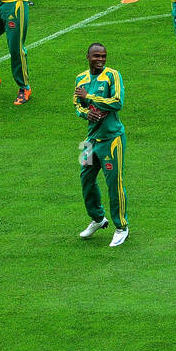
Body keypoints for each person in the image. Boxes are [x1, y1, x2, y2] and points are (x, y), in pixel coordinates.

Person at [74, 43, 128, 247]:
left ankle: (122, 227)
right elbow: (77, 104)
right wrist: (86, 113)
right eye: (96, 56)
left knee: (114, 184)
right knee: (85, 179)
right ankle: (98, 219)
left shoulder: (113, 75)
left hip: (112, 138)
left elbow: (117, 102)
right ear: (87, 56)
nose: (101, 59)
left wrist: (92, 99)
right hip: (89, 140)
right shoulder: (81, 78)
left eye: (104, 56)